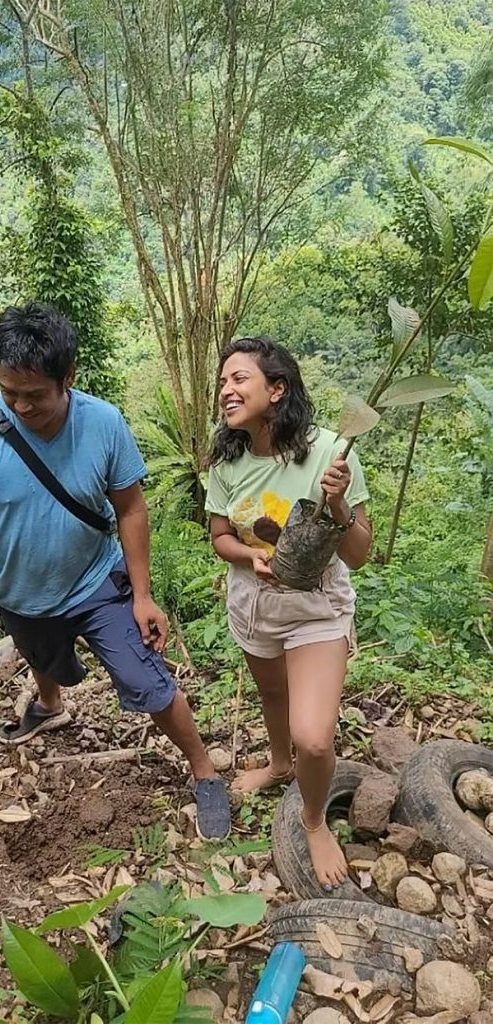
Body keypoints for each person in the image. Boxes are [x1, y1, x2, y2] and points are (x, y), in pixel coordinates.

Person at [0, 301, 231, 841]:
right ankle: (50, 706)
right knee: (42, 654)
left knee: (149, 681)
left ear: (68, 377)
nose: (21, 407)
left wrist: (142, 595)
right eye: (9, 393)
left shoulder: (102, 423)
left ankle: (204, 771)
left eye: (36, 395)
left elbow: (131, 508)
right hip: (22, 593)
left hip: (98, 582)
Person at [205, 336, 372, 887]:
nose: (227, 390)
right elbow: (220, 537)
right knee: (272, 694)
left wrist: (341, 503)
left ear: (277, 390)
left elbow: (360, 554)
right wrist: (250, 554)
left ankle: (314, 817)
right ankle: (278, 765)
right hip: (255, 604)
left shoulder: (331, 453)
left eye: (239, 379)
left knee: (315, 737)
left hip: (316, 605)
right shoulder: (227, 460)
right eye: (224, 381)